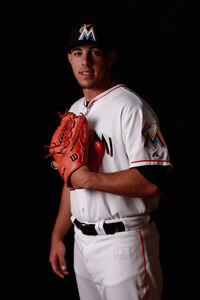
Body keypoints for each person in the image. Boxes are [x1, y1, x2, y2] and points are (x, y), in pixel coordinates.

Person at [49, 23, 172, 300]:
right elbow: (72, 180)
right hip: (82, 244)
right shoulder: (76, 109)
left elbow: (154, 181)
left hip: (124, 243)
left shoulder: (132, 107)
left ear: (110, 59)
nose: (86, 61)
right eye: (78, 52)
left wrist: (87, 178)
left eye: (95, 52)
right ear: (70, 59)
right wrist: (58, 235)